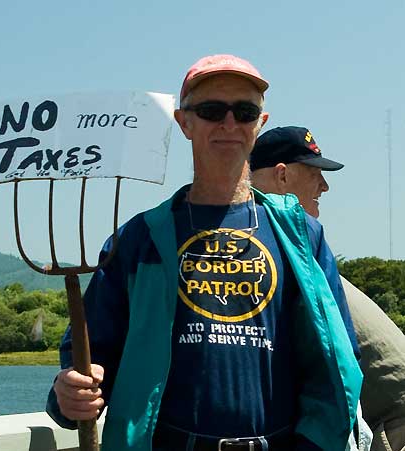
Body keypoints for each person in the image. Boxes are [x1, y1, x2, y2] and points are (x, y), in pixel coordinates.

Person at [47, 54, 362, 451]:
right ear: (185, 123)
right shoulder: (138, 239)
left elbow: (336, 361)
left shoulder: (303, 237)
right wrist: (70, 392)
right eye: (213, 110)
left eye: (245, 112)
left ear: (259, 125)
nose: (229, 123)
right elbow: (90, 352)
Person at [250, 126, 405, 451]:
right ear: (282, 178)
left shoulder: (295, 254)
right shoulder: (284, 254)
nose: (325, 186)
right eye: (315, 173)